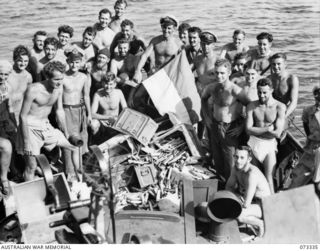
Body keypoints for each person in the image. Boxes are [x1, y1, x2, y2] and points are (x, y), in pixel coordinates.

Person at [18, 61, 79, 181]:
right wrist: (26, 142)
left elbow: (59, 112)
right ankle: (30, 194)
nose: (60, 82)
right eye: (56, 79)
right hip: (30, 128)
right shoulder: (33, 89)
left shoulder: (59, 89)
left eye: (61, 78)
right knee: (31, 166)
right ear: (47, 77)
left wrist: (66, 134)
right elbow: (22, 116)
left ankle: (76, 177)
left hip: (46, 125)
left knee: (73, 147)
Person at [201, 59, 249, 180]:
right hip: (215, 126)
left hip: (229, 128)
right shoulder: (211, 88)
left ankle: (232, 186)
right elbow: (203, 99)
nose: (219, 76)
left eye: (222, 73)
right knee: (217, 159)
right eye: (216, 73)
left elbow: (250, 107)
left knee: (230, 161)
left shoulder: (235, 90)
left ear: (229, 72)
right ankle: (221, 185)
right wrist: (206, 117)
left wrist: (242, 126)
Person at [246, 78, 286, 193]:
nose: (261, 95)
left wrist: (256, 129)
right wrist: (268, 128)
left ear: (271, 90)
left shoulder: (280, 107)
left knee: (269, 177)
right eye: (259, 92)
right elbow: (248, 130)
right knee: (254, 176)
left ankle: (272, 203)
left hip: (269, 145)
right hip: (254, 143)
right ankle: (255, 201)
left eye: (265, 92)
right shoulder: (251, 106)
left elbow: (277, 133)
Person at [226, 145, 271, 237]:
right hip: (249, 200)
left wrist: (236, 199)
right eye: (236, 157)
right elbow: (228, 187)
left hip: (263, 205)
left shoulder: (252, 174)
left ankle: (260, 223)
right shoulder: (235, 168)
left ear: (249, 159)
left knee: (238, 214)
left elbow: (246, 204)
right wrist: (238, 197)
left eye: (242, 158)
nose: (238, 161)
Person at [62, 51, 92, 179]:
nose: (74, 65)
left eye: (77, 62)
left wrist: (89, 114)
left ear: (81, 63)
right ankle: (69, 172)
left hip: (80, 111)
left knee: (79, 141)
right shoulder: (63, 77)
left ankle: (79, 170)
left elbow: (86, 96)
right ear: (68, 62)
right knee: (68, 141)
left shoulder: (83, 77)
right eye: (72, 62)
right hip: (66, 110)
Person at [132, 15, 182, 83]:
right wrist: (137, 71)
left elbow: (182, 63)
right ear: (161, 27)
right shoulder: (155, 41)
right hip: (157, 72)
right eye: (164, 27)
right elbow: (145, 56)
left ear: (174, 29)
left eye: (169, 28)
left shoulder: (178, 44)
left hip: (171, 75)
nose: (166, 30)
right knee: (138, 93)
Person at [290, 85, 320, 188]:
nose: (317, 95)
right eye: (316, 93)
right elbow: (305, 124)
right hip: (311, 147)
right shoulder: (308, 110)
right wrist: (310, 138)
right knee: (298, 175)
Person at [90, 72, 127, 144]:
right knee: (93, 124)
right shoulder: (98, 94)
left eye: (111, 84)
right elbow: (92, 114)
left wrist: (119, 120)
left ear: (115, 84)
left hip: (116, 122)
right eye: (106, 84)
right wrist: (108, 117)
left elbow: (126, 110)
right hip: (103, 122)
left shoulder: (119, 93)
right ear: (102, 83)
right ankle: (96, 143)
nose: (108, 87)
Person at [268, 53, 299, 119]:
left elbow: (293, 102)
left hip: (286, 111)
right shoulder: (269, 79)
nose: (276, 67)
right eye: (273, 64)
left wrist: (283, 116)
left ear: (285, 64)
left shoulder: (291, 79)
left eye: (279, 64)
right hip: (272, 110)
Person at [8, 45, 33, 125]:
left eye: (26, 61)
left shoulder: (28, 77)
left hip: (20, 114)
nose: (23, 63)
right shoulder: (7, 74)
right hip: (6, 113)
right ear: (14, 59)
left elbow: (28, 97)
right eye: (20, 60)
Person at [0, 60, 16, 144]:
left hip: (6, 120)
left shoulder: (8, 87)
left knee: (16, 139)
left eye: (5, 74)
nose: (2, 77)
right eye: (0, 74)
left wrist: (15, 123)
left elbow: (10, 107)